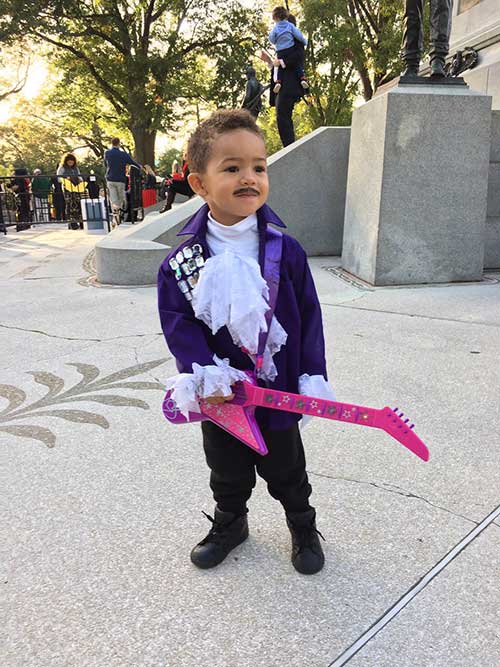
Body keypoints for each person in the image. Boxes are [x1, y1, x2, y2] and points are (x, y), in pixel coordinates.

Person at [158, 109, 335, 575]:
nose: (249, 177)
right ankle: (230, 522)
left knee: (287, 468)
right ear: (199, 184)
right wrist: (206, 372)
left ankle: (302, 523)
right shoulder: (183, 261)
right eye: (232, 167)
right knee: (227, 468)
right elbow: (178, 323)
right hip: (222, 395)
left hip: (276, 388)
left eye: (259, 167)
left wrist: (312, 374)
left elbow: (310, 317)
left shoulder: (286, 250)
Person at [268, 6, 308, 95]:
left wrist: (276, 42)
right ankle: (302, 78)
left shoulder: (275, 29)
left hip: (280, 52)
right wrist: (305, 42)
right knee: (297, 65)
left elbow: (271, 39)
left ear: (275, 18)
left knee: (280, 67)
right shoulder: (290, 26)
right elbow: (299, 35)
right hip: (290, 49)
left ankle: (278, 82)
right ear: (286, 16)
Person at [104, 137, 142, 217]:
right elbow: (132, 162)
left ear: (112, 143)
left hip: (110, 178)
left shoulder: (107, 153)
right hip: (120, 179)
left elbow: (105, 164)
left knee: (113, 198)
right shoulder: (123, 154)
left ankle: (115, 212)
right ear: (119, 143)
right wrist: (139, 166)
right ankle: (120, 213)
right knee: (121, 197)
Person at [57, 153, 84, 229]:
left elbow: (79, 176)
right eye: (69, 162)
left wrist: (80, 180)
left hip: (76, 187)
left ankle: (80, 221)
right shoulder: (62, 168)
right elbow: (58, 178)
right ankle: (72, 223)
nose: (71, 163)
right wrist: (66, 179)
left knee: (78, 203)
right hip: (67, 187)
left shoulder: (76, 168)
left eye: (72, 162)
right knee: (69, 204)